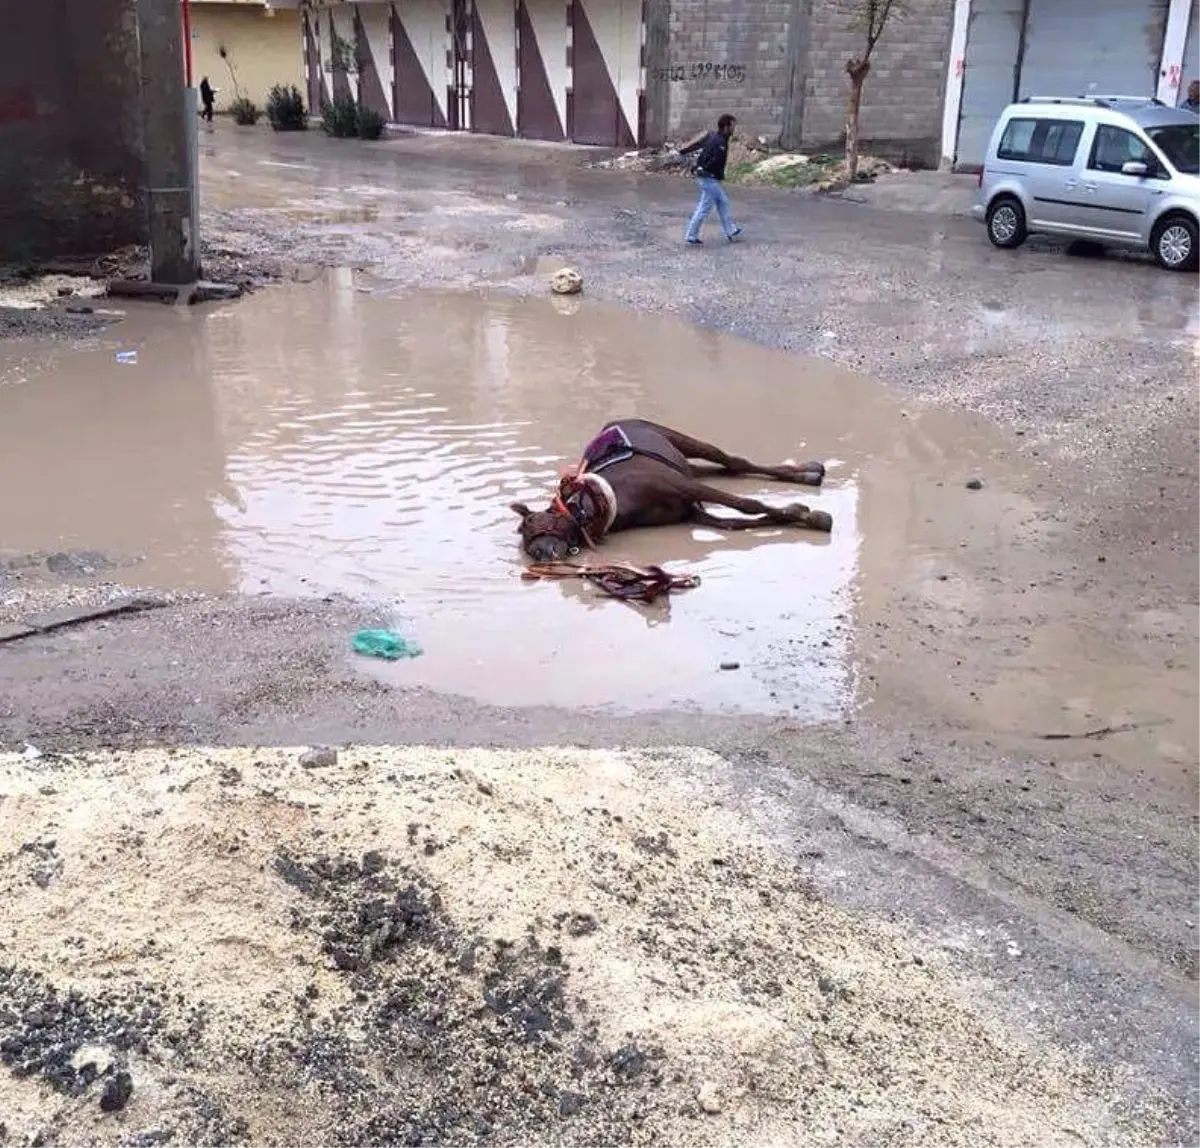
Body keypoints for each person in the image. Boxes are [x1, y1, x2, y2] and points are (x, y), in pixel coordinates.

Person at [680, 113, 742, 246]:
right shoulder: (720, 142)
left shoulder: (715, 138)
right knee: (704, 208)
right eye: (732, 126)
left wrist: (698, 167)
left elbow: (704, 154)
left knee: (723, 202)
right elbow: (715, 160)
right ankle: (691, 235)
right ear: (726, 127)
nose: (734, 129)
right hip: (709, 179)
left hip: (708, 178)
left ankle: (731, 231)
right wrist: (702, 169)